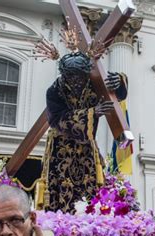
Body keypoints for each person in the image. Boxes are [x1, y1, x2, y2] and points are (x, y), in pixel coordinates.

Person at [43, 51, 128, 213]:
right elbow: (56, 120)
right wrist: (91, 113)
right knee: (61, 189)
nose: (76, 81)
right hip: (62, 146)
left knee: (90, 189)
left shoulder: (95, 85)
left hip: (87, 146)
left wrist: (119, 81)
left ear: (86, 74)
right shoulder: (54, 91)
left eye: (80, 77)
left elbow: (118, 95)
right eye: (71, 76)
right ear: (64, 74)